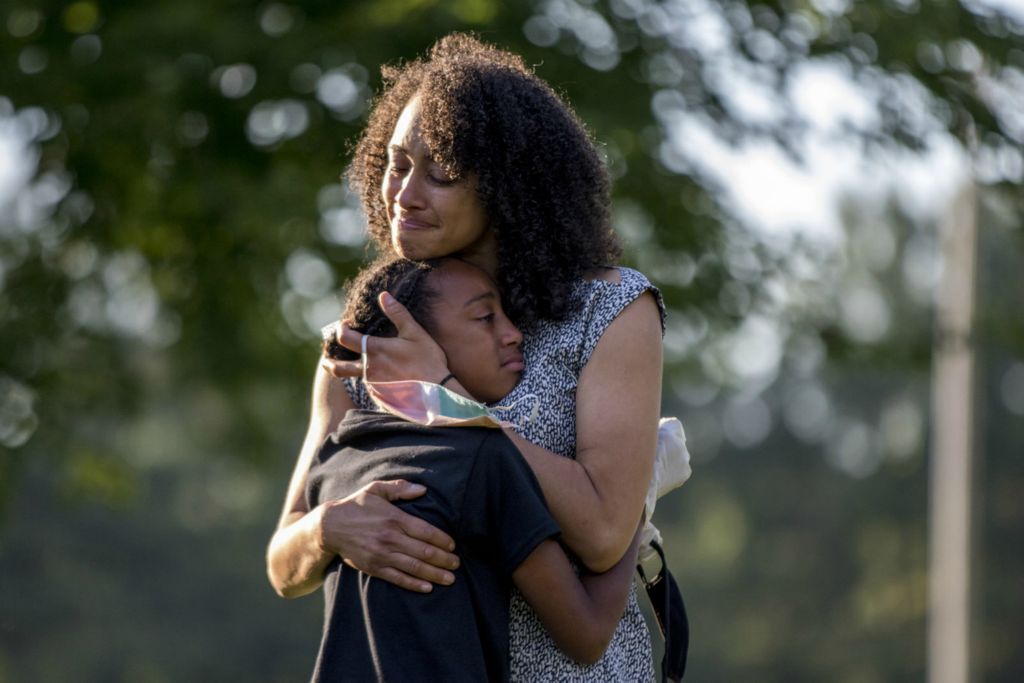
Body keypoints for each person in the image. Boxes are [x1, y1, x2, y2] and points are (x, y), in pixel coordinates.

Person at [267, 33, 665, 681]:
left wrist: (446, 399)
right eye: (397, 163)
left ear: (508, 185)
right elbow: (283, 565)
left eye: (441, 171)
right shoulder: (362, 338)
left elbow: (601, 535)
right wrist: (328, 532)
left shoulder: (611, 311)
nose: (405, 192)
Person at [307, 255, 642, 681]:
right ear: (414, 343)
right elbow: (587, 634)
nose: (513, 334)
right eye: (485, 317)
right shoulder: (487, 459)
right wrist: (640, 498)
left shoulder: (341, 454)